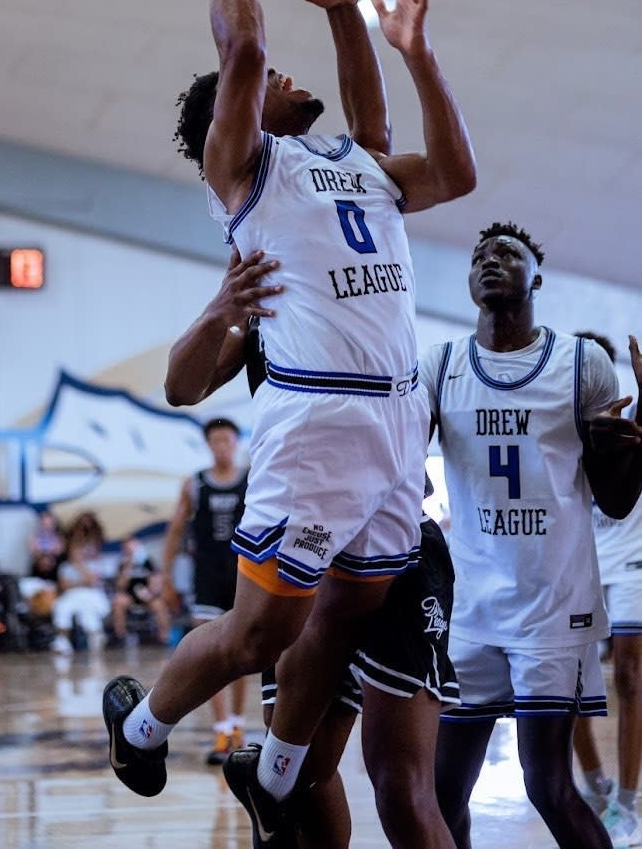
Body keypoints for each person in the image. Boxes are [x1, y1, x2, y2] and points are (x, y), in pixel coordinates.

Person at [103, 0, 476, 845]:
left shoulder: (357, 167)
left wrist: (387, 33)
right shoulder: (253, 175)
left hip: (397, 429)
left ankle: (271, 773)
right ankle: (140, 725)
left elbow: (441, 169)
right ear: (245, 117)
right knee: (267, 627)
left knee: (344, 615)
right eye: (268, 84)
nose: (282, 73)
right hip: (316, 426)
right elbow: (248, 50)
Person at [165, 247, 460, 848]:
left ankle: (147, 727)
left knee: (400, 786)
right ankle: (151, 727)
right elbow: (180, 386)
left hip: (397, 550)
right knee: (298, 781)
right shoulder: (262, 323)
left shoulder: (369, 288)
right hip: (308, 546)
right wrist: (222, 307)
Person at [421, 222, 642, 849]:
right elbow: (402, 459)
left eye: (508, 253)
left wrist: (633, 452)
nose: (491, 261)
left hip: (553, 609)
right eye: (479, 256)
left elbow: (618, 502)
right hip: (472, 609)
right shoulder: (440, 365)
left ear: (536, 277)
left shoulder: (581, 364)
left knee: (547, 785)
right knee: (441, 793)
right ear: (468, 282)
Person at [573, 331, 642, 847]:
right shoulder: (558, 422)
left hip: (632, 563)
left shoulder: (631, 415)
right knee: (567, 685)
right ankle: (596, 788)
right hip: (578, 565)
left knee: (630, 678)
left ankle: (627, 800)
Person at [160, 417, 249, 765]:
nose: (221, 446)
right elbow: (175, 530)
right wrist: (165, 576)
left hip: (245, 575)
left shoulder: (252, 479)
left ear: (235, 441)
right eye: (215, 440)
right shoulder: (194, 484)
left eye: (226, 439)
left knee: (242, 657)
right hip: (207, 578)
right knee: (211, 656)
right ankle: (222, 730)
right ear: (208, 444)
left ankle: (238, 727)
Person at [50, 532, 111, 656]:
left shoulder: (94, 563)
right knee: (61, 607)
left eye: (79, 550)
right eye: (74, 551)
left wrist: (79, 567)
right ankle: (63, 641)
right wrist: (81, 582)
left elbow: (92, 581)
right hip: (72, 595)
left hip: (91, 595)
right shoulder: (65, 567)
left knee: (88, 612)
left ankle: (95, 639)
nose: (77, 553)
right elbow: (64, 586)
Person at [110, 535, 170, 649]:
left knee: (159, 605)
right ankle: (120, 635)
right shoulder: (122, 563)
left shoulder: (148, 562)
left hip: (147, 595)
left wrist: (149, 592)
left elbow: (156, 581)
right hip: (130, 595)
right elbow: (120, 585)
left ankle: (164, 637)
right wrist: (128, 567)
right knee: (118, 602)